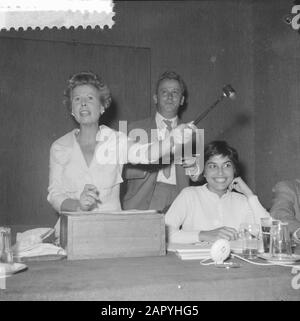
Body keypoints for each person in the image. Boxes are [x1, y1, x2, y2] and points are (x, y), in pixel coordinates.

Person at [47, 71, 194, 222]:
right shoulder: (60, 146)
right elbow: (55, 194)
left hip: (111, 230)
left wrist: (171, 139)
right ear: (71, 108)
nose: (83, 102)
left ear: (102, 106)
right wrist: (78, 206)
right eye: (77, 99)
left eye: (90, 98)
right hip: (71, 229)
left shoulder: (116, 140)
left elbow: (145, 154)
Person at [122, 71, 201, 213]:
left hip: (179, 199)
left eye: (175, 92)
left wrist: (194, 168)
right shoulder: (133, 129)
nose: (170, 97)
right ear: (155, 98)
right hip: (142, 200)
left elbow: (197, 177)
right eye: (164, 92)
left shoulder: (192, 134)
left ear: (182, 100)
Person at [165, 140, 270, 244]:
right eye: (212, 166)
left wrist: (250, 195)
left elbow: (271, 235)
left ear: (234, 170)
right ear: (203, 171)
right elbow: (163, 233)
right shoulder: (189, 195)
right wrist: (203, 235)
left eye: (227, 165)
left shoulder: (243, 201)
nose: (220, 172)